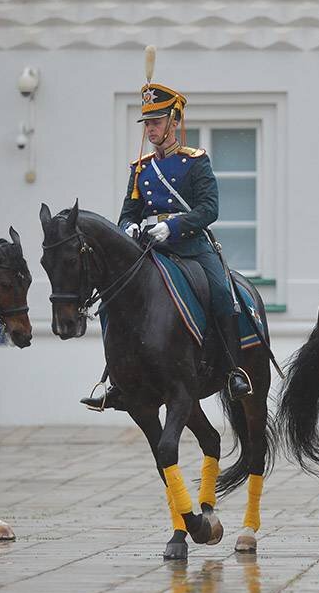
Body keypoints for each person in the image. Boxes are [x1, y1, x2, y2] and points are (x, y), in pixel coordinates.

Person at [81, 46, 251, 410]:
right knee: (112, 300)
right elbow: (127, 212)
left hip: (190, 245)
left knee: (223, 293)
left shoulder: (196, 163)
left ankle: (234, 371)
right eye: (148, 123)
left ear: (174, 121)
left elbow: (209, 209)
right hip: (150, 249)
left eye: (157, 122)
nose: (152, 129)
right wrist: (128, 229)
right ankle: (114, 378)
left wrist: (171, 227)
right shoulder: (140, 169)